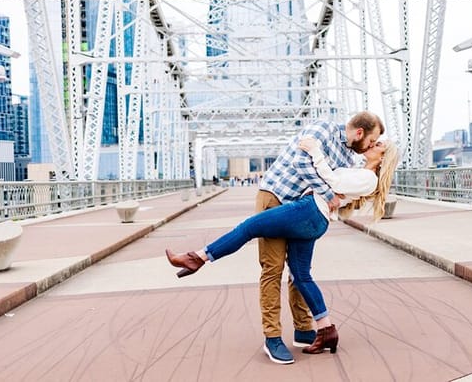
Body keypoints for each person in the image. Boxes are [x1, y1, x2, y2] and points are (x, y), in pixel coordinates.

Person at [165, 137, 399, 359]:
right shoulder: (363, 172)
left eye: (378, 145)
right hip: (316, 218)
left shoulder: (369, 178)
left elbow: (334, 182)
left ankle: (198, 257)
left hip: (309, 210)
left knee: (250, 227)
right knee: (301, 276)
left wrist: (315, 151)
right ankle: (325, 329)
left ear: (383, 156)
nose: (372, 145)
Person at [256, 111, 384, 364]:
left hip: (303, 209)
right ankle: (272, 337)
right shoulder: (322, 130)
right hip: (276, 196)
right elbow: (300, 164)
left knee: (299, 271)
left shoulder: (350, 156)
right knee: (273, 268)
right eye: (372, 140)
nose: (371, 146)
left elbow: (342, 183)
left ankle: (303, 329)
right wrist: (328, 195)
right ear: (359, 133)